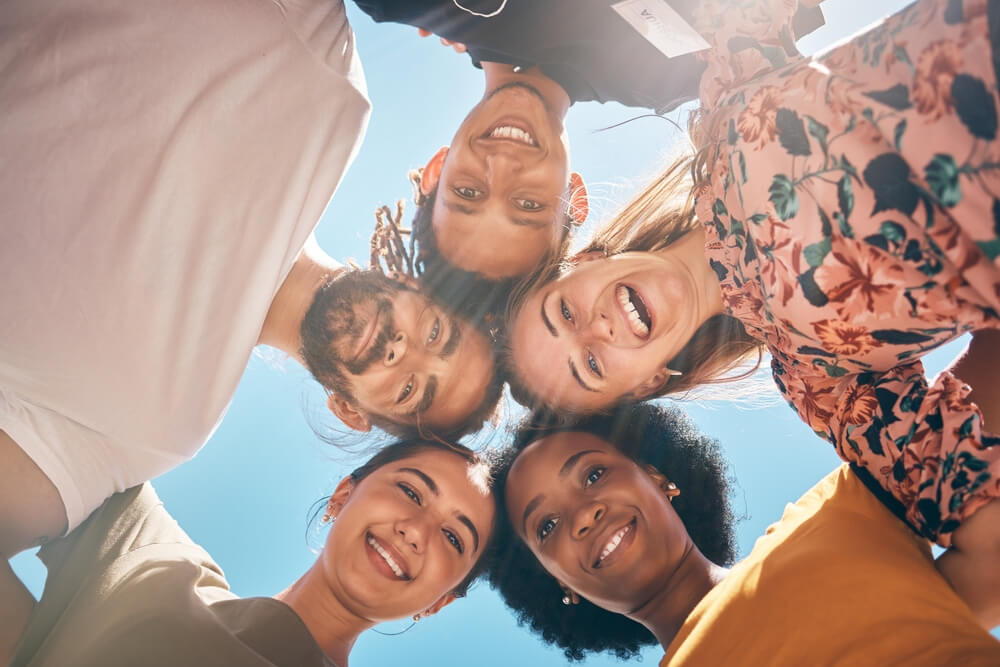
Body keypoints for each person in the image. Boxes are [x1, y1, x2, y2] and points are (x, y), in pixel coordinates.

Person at [0, 0, 502, 649]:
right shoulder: (322, 87)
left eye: (412, 391)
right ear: (416, 286)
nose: (405, 351)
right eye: (436, 335)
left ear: (351, 410)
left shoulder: (158, 425)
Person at [505, 0, 1000, 548]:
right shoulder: (818, 382)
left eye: (565, 312)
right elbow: (953, 493)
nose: (595, 328)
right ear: (647, 382)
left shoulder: (722, 108)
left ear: (586, 261)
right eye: (592, 364)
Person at [352, 0, 827, 319]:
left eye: (468, 193)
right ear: (573, 200)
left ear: (436, 171)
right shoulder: (685, 73)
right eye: (529, 206)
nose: (502, 165)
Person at [490, 403, 1000, 664]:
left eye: (594, 474)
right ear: (557, 583)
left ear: (659, 477)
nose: (582, 515)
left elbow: (977, 410)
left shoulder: (836, 512)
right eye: (548, 526)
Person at [9, 438, 497, 667]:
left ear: (440, 602)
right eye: (412, 492)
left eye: (455, 539)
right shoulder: (152, 557)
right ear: (342, 496)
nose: (417, 531)